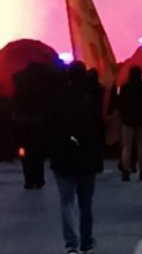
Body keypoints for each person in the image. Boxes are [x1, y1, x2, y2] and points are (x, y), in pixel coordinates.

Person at [49, 62, 104, 254]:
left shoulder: (57, 98)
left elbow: (52, 127)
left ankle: (71, 243)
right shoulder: (93, 98)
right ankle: (86, 241)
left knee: (66, 202)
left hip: (63, 156)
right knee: (85, 202)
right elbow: (98, 130)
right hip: (87, 158)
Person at [118, 66, 142, 181]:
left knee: (127, 146)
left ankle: (126, 172)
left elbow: (120, 102)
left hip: (128, 119)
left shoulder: (125, 87)